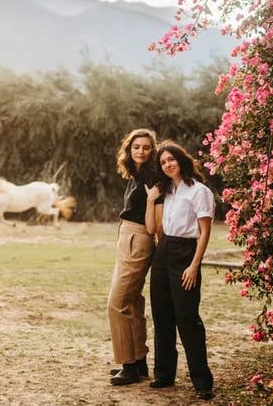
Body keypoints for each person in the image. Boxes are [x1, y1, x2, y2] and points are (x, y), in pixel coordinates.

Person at [144, 140, 215, 401]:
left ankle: (202, 381)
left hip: (185, 252)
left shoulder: (199, 191)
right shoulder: (168, 192)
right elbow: (157, 229)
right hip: (162, 251)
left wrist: (194, 265)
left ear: (181, 159)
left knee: (187, 317)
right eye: (163, 162)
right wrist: (152, 201)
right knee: (162, 315)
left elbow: (205, 232)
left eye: (171, 159)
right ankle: (164, 374)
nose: (167, 164)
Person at [107, 128, 159, 386]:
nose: (140, 151)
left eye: (146, 147)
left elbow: (155, 212)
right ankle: (139, 362)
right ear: (129, 149)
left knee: (117, 303)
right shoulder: (136, 174)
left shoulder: (151, 175)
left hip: (138, 237)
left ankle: (128, 365)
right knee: (133, 302)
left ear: (152, 150)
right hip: (127, 235)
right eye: (136, 146)